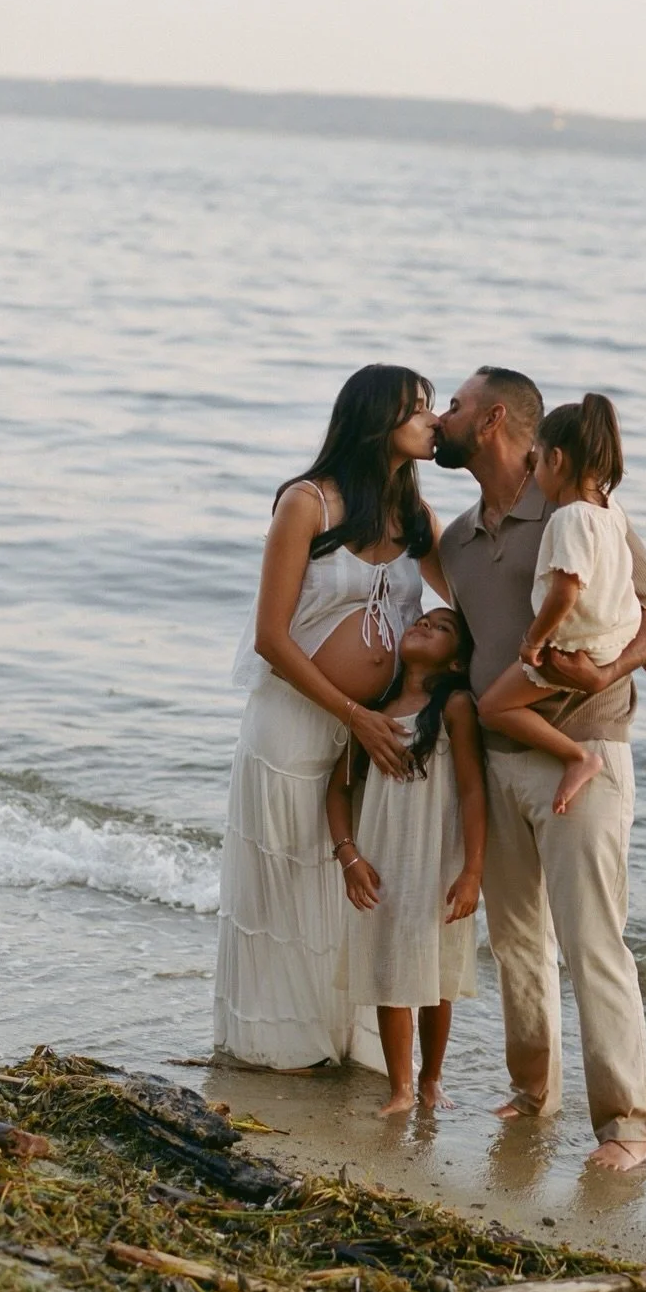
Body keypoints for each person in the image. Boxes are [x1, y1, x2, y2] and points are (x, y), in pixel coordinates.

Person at [434, 366, 646, 1172]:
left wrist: (608, 673)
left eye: (456, 406)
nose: (441, 418)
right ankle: (534, 1092)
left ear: (493, 421)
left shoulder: (581, 511)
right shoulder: (455, 541)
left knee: (592, 941)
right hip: (499, 755)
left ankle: (627, 1126)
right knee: (516, 942)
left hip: (589, 752)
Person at [215, 364, 449, 1071]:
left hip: (370, 737)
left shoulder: (415, 515)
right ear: (377, 419)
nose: (432, 421)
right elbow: (271, 637)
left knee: (357, 888)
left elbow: (468, 597)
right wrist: (354, 713)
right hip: (294, 725)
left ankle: (352, 1053)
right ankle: (276, 1055)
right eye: (417, 409)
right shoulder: (308, 503)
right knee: (284, 887)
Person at [477, 392, 646, 814]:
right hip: (617, 632)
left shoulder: (569, 518)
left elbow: (565, 591)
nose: (533, 474)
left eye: (536, 461)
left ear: (556, 460)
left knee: (493, 708)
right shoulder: (610, 510)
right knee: (636, 626)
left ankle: (577, 758)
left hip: (576, 648)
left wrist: (534, 641)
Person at [326, 607, 487, 1116]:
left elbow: (473, 791)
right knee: (390, 970)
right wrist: (348, 856)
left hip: (437, 858)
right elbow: (338, 789)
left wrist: (473, 870)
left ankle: (431, 1079)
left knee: (436, 975)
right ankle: (400, 1089)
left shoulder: (455, 707)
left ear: (457, 661)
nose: (425, 626)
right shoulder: (375, 710)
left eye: (443, 628)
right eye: (422, 620)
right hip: (384, 859)